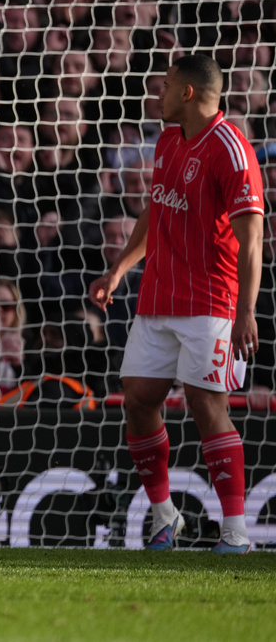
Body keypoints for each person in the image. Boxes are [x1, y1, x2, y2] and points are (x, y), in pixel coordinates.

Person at [89, 54, 264, 555]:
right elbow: (157, 207)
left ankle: (236, 533)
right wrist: (120, 268)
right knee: (139, 398)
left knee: (206, 405)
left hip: (212, 301)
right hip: (157, 298)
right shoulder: (168, 141)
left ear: (187, 94)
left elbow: (251, 240)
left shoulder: (232, 151)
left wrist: (245, 311)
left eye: (165, 87)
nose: (157, 94)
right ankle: (165, 516)